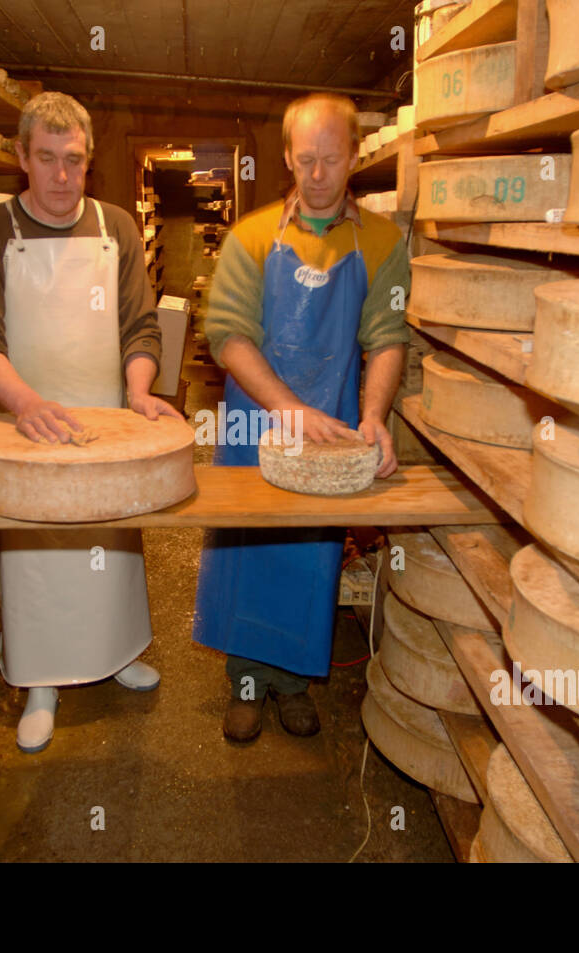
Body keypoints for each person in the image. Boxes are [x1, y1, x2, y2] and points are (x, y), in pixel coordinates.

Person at [0, 91, 182, 753]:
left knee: (109, 551)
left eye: (74, 161)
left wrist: (138, 393)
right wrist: (25, 402)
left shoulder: (116, 227)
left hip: (103, 419)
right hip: (23, 420)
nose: (60, 176)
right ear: (22, 157)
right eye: (46, 159)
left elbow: (140, 325)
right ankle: (41, 680)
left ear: (88, 162)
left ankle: (114, 653)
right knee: (38, 555)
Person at [192, 93, 410, 742]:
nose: (317, 174)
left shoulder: (381, 240)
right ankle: (246, 681)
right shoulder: (252, 237)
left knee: (309, 556)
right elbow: (227, 334)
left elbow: (387, 334)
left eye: (332, 159)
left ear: (354, 157)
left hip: (333, 425)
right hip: (257, 421)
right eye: (305, 159)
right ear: (287, 157)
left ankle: (290, 681)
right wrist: (287, 408)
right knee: (250, 551)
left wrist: (373, 416)